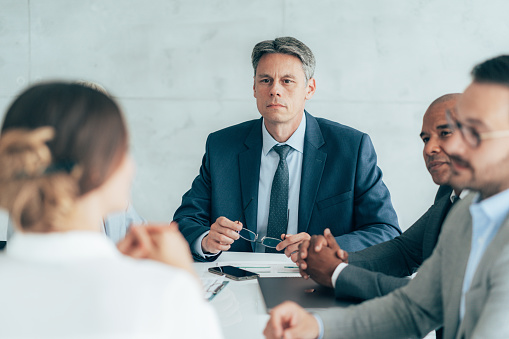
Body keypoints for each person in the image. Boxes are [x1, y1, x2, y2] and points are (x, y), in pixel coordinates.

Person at [264, 55, 509, 339]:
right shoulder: (465, 211)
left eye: (473, 130)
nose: (449, 146)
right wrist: (317, 326)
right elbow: (414, 308)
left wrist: (337, 271)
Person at [0, 82, 222, 338]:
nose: (132, 167)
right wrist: (184, 281)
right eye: (125, 150)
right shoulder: (161, 294)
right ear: (97, 170)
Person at [174, 37, 400, 262]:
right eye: (265, 80)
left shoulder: (351, 148)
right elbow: (185, 221)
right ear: (254, 88)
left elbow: (386, 231)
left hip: (316, 281)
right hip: (236, 283)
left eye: (287, 81)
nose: (275, 90)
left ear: (309, 89)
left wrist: (324, 246)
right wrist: (205, 240)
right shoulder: (222, 146)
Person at [297, 93, 463, 304]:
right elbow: (406, 252)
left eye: (445, 133)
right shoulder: (449, 192)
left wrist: (338, 273)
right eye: (426, 139)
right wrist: (338, 258)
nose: (429, 148)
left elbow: (440, 298)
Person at [3, 79, 145, 245]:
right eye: (121, 150)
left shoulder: (117, 205)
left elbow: (136, 227)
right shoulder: (36, 203)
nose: (130, 166)